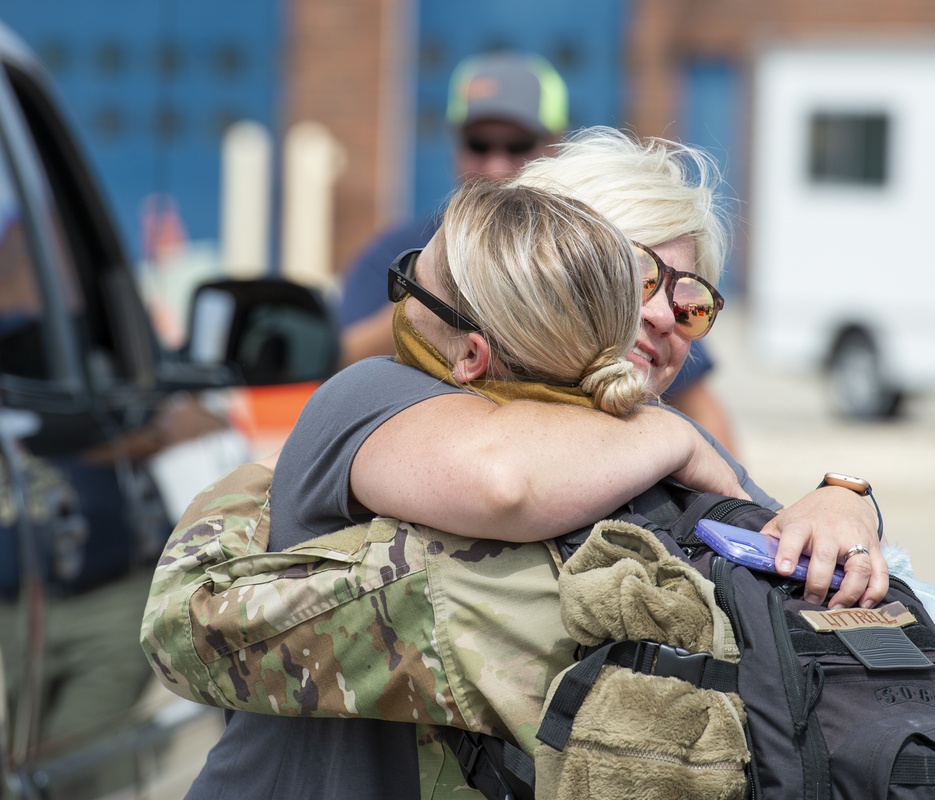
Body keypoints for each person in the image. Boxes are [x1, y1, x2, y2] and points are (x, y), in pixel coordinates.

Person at [149, 129, 886, 800]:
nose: (665, 314)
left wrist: (844, 498)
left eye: (693, 302)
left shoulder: (640, 438)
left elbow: (767, 557)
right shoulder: (387, 393)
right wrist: (683, 441)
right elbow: (503, 480)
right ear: (539, 263)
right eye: (639, 274)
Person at [337, 50, 739, 453]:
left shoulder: (605, 253)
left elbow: (701, 406)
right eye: (479, 144)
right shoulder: (403, 247)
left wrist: (727, 496)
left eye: (519, 145)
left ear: (556, 146)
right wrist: (435, 297)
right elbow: (344, 365)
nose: (496, 166)